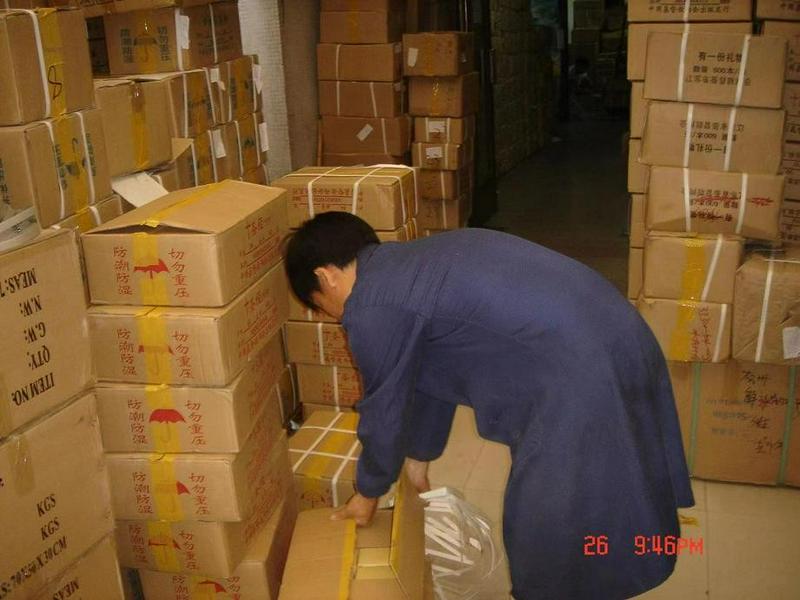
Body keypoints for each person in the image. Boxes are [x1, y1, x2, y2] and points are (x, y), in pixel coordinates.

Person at [284, 212, 694, 600]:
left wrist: (367, 494)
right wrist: (417, 464)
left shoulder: (373, 305)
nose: (335, 318)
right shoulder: (411, 267)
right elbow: (427, 378)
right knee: (608, 484)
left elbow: (384, 409)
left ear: (327, 277)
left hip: (577, 371)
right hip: (619, 332)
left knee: (549, 511)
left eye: (322, 307)